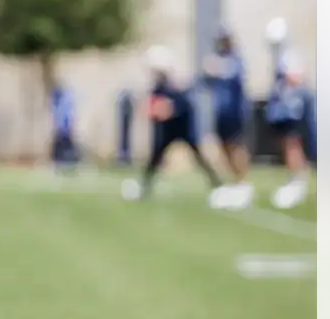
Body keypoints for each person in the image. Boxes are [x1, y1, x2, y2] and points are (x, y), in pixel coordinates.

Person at [122, 46, 224, 201]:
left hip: (182, 127)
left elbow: (178, 107)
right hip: (168, 130)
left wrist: (166, 110)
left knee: (198, 156)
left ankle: (217, 185)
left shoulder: (175, 87)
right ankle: (144, 186)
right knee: (156, 158)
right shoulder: (158, 88)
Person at [264, 17, 316, 209]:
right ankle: (294, 178)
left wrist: (287, 82)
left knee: (292, 145)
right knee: (286, 145)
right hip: (283, 110)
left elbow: (298, 78)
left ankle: (298, 181)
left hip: (292, 109)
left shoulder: (289, 57)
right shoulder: (280, 57)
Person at [200, 25, 253, 210]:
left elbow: (232, 75)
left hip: (235, 111)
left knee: (236, 145)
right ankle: (235, 181)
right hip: (220, 112)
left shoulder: (235, 60)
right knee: (224, 146)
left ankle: (244, 183)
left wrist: (216, 68)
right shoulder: (218, 58)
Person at [49, 83, 80, 173]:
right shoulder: (58, 103)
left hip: (63, 131)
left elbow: (66, 118)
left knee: (64, 147)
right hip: (61, 130)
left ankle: (68, 164)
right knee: (60, 148)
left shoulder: (64, 104)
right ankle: (61, 164)